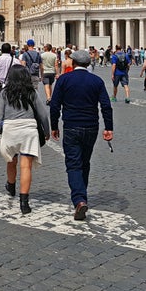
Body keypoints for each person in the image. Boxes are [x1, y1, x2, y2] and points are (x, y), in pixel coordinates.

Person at [50, 50, 113, 220]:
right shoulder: (97, 81)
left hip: (71, 126)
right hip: (91, 127)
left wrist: (54, 126)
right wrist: (109, 127)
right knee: (84, 163)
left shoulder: (64, 79)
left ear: (73, 63)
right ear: (88, 63)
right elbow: (106, 106)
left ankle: (79, 199)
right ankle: (82, 196)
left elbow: (55, 105)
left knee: (73, 164)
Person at [0, 65, 49, 214]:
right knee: (25, 167)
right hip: (28, 130)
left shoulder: (5, 93)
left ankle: (11, 186)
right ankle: (24, 203)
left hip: (10, 130)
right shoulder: (32, 92)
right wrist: (47, 131)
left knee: (11, 160)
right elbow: (42, 114)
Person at [0, 42, 22, 107]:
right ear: (10, 50)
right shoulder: (16, 61)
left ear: (1, 50)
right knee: (11, 103)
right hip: (12, 85)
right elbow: (20, 73)